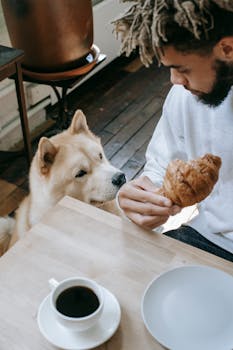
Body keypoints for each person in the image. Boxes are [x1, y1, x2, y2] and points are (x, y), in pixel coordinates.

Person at [113, 0, 233, 261]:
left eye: (182, 69)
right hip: (208, 237)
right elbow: (159, 168)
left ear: (227, 48)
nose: (175, 81)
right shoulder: (183, 97)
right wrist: (143, 199)